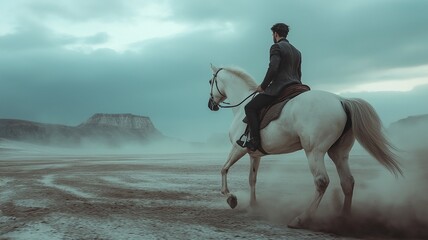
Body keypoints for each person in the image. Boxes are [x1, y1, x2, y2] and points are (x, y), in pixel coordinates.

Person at [242, 23, 302, 151]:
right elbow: (299, 73)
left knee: (250, 107)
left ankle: (255, 141)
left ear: (275, 34)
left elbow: (273, 68)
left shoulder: (276, 47)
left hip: (279, 88)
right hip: (296, 87)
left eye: (272, 34)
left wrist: (263, 86)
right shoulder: (298, 52)